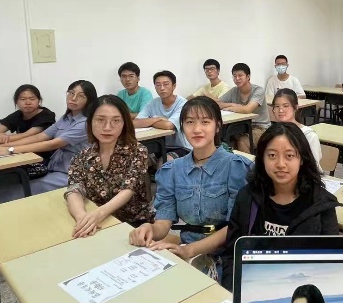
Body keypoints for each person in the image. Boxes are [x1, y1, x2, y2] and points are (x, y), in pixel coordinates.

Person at [129, 97, 252, 278]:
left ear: (218, 126)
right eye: (189, 122)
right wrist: (150, 229)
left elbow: (236, 226)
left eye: (205, 122)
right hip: (187, 248)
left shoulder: (236, 167)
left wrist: (190, 250)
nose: (197, 129)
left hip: (228, 252)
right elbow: (163, 223)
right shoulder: (172, 170)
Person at [221, 122, 341, 290]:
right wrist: (233, 291)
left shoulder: (321, 205)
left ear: (302, 159)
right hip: (253, 286)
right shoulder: (248, 197)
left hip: (303, 289)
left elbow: (331, 264)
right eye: (272, 155)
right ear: (262, 158)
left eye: (289, 155)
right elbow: (231, 253)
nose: (280, 164)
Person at [0, 80, 97, 202]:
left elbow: (53, 144)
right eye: (71, 93)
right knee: (3, 186)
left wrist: (9, 150)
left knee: (7, 193)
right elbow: (40, 136)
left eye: (81, 96)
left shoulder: (85, 123)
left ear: (89, 100)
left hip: (70, 174)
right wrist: (3, 147)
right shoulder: (67, 118)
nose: (73, 98)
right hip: (52, 167)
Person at [66, 95, 153, 236]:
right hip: (98, 224)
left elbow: (128, 189)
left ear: (124, 123)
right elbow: (74, 190)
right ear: (90, 122)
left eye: (116, 121)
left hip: (132, 225)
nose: (107, 127)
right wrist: (82, 218)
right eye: (100, 120)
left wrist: (97, 215)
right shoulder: (81, 156)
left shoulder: (138, 151)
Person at [0, 84, 56, 161]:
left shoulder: (47, 115)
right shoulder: (18, 114)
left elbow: (26, 135)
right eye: (23, 99)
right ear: (16, 102)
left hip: (42, 157)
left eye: (32, 99)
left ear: (39, 100)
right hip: (19, 154)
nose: (28, 102)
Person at [134, 70, 190, 159]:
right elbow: (135, 123)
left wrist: (148, 122)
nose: (162, 88)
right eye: (158, 85)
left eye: (166, 84)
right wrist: (157, 119)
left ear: (174, 86)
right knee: (138, 159)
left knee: (164, 163)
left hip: (181, 147)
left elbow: (168, 125)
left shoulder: (182, 103)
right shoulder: (153, 103)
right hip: (159, 146)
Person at [218, 63, 271, 154]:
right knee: (225, 141)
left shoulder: (258, 90)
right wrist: (232, 105)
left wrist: (231, 107)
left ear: (248, 77)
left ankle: (247, 163)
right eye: (234, 76)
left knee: (242, 142)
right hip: (241, 127)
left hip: (260, 127)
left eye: (240, 75)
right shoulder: (234, 90)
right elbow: (217, 103)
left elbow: (247, 109)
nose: (237, 78)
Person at [271, 89, 322, 166]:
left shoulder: (308, 135)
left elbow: (313, 165)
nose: (280, 110)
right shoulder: (272, 133)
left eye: (285, 106)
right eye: (277, 106)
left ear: (295, 107)